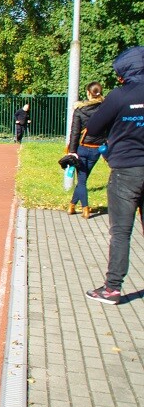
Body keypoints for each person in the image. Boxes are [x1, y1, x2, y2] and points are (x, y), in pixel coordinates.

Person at [84, 46, 144, 305]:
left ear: (124, 73)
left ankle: (112, 288)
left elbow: (94, 126)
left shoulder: (119, 96)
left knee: (121, 231)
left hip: (127, 170)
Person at [65, 82, 106, 218]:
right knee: (83, 179)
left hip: (81, 149)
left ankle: (85, 208)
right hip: (97, 149)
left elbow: (75, 132)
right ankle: (72, 205)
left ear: (89, 93)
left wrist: (71, 151)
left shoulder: (80, 110)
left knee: (82, 181)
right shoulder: (106, 109)